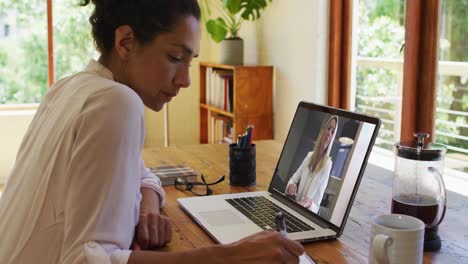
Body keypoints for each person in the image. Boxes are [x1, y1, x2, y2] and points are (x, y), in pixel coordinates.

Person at [0, 1, 304, 263]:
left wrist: (147, 206)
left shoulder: (69, 87)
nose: (185, 80)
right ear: (126, 42)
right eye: (174, 58)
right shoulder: (117, 102)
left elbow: (140, 171)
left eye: (190, 61)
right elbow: (85, 260)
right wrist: (232, 256)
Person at [285, 116, 338, 213]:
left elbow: (316, 206)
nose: (329, 133)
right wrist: (291, 185)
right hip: (293, 207)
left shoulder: (327, 165)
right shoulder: (309, 155)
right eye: (328, 128)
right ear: (324, 130)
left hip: (305, 214)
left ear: (333, 138)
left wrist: (308, 204)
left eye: (332, 132)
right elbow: (293, 179)